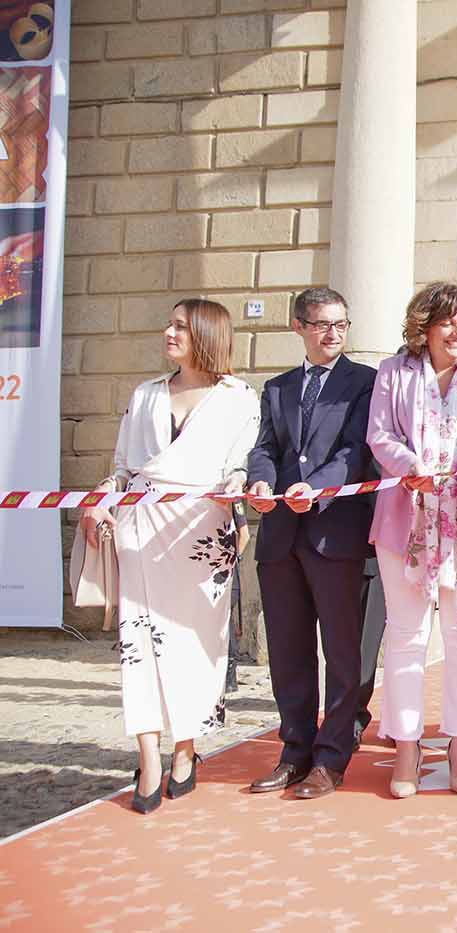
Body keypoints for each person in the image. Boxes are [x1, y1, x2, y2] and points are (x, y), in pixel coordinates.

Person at [77, 299, 259, 813]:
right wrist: (103, 500)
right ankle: (148, 756)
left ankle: (186, 749)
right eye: (170, 323)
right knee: (138, 646)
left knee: (196, 645)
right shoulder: (146, 394)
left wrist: (238, 497)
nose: (169, 331)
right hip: (141, 529)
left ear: (205, 333)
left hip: (203, 535)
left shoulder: (239, 397)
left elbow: (240, 463)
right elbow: (121, 466)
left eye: (180, 325)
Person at [366, 283, 457, 798]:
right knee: (406, 635)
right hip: (406, 521)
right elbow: (379, 435)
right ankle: (406, 743)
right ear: (423, 328)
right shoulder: (392, 374)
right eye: (447, 322)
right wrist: (411, 468)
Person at [245, 287, 377, 799]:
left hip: (334, 534)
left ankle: (332, 757)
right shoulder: (277, 389)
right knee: (288, 652)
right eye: (323, 324)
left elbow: (357, 451)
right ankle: (294, 752)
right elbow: (265, 448)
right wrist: (260, 482)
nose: (333, 334)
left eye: (341, 325)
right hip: (280, 537)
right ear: (298, 326)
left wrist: (315, 489)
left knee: (342, 654)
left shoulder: (364, 383)